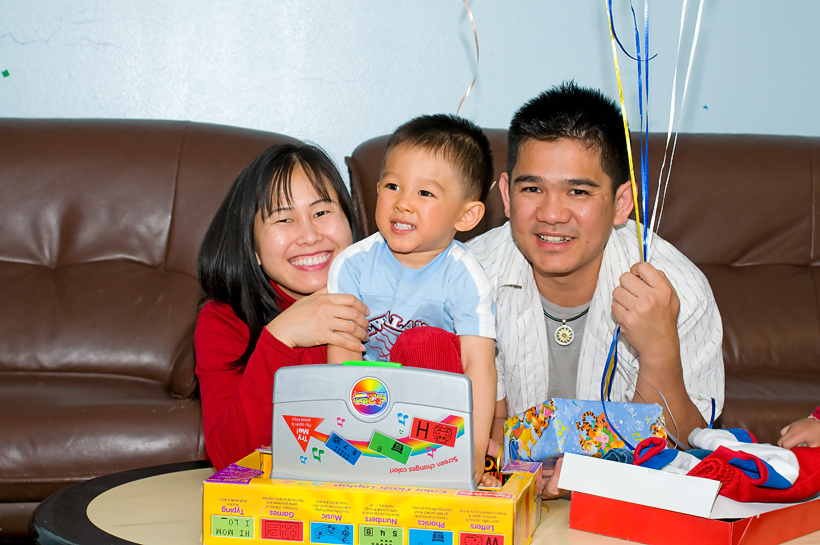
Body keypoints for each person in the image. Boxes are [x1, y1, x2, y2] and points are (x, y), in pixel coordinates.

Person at [467, 81, 725, 496]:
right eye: (532, 188)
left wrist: (658, 351)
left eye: (578, 191)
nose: (551, 214)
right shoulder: (466, 278)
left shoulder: (677, 289)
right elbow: (449, 434)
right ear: (506, 195)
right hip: (503, 497)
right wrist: (511, 483)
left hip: (626, 506)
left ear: (622, 202)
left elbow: (691, 449)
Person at [326, 114, 498, 486]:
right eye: (392, 186)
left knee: (423, 342)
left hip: (435, 412)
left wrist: (475, 446)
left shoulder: (464, 274)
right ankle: (361, 460)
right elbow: (343, 362)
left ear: (466, 215)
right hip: (369, 400)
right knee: (314, 343)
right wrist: (360, 428)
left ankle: (432, 460)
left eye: (425, 193)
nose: (402, 204)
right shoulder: (352, 265)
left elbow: (478, 364)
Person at [195, 143, 370, 470]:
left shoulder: (392, 301)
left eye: (321, 212)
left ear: (350, 224)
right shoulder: (223, 322)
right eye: (284, 219)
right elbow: (233, 462)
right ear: (254, 248)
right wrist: (280, 337)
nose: (309, 235)